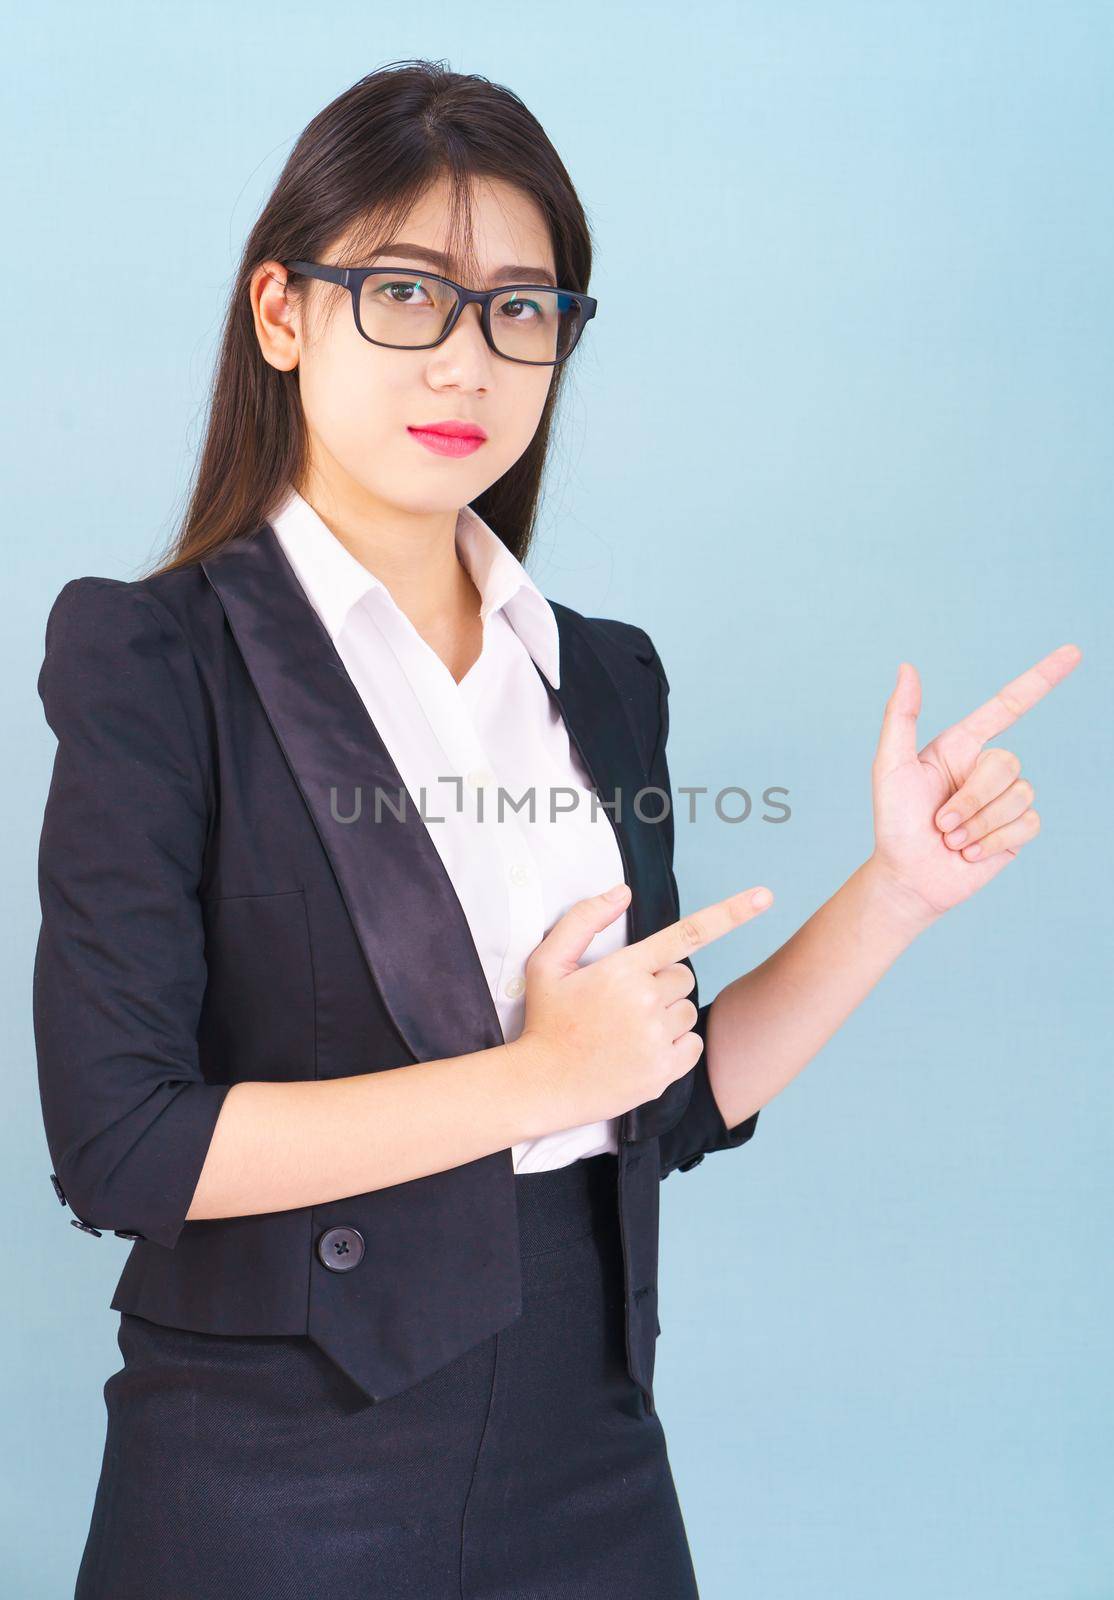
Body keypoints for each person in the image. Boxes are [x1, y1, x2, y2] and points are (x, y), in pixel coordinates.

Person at [33, 59, 1078, 1600]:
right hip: (269, 1469)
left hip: (586, 1449)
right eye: (405, 292)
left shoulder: (600, 672)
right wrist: (532, 1077)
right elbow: (123, 1146)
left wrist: (900, 890)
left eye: (521, 310)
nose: (466, 363)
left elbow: (656, 1101)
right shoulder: (155, 658)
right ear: (281, 314)